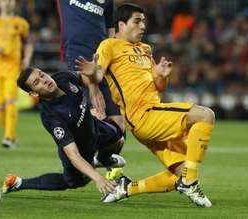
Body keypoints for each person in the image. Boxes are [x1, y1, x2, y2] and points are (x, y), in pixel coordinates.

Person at [76, 3, 215, 207]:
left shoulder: (145, 49)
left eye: (143, 21)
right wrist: (91, 72)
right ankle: (190, 183)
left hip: (154, 113)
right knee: (206, 115)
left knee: (180, 171)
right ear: (121, 24)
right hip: (141, 115)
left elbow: (158, 86)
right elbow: (98, 73)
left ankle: (126, 188)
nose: (143, 26)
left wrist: (161, 76)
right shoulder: (109, 45)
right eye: (137, 21)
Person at [2, 67, 126, 195]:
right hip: (80, 149)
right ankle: (18, 183)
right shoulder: (51, 117)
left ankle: (101, 159)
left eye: (42, 75)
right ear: (34, 93)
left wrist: (93, 87)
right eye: (36, 83)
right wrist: (99, 178)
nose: (44, 80)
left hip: (94, 127)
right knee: (74, 182)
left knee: (119, 136)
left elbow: (85, 78)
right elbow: (73, 155)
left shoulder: (62, 77)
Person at [57, 0, 125, 180]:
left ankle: (102, 159)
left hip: (102, 63)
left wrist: (115, 56)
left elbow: (111, 31)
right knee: (97, 117)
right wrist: (93, 87)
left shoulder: (107, 2)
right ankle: (78, 169)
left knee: (119, 126)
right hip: (77, 58)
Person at [0, 0, 33, 148]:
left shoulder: (20, 23)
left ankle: (8, 137)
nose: (8, 3)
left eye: (11, 0)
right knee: (0, 106)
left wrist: (26, 59)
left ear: (14, 4)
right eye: (5, 0)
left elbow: (28, 43)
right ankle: (11, 136)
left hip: (12, 69)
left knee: (10, 101)